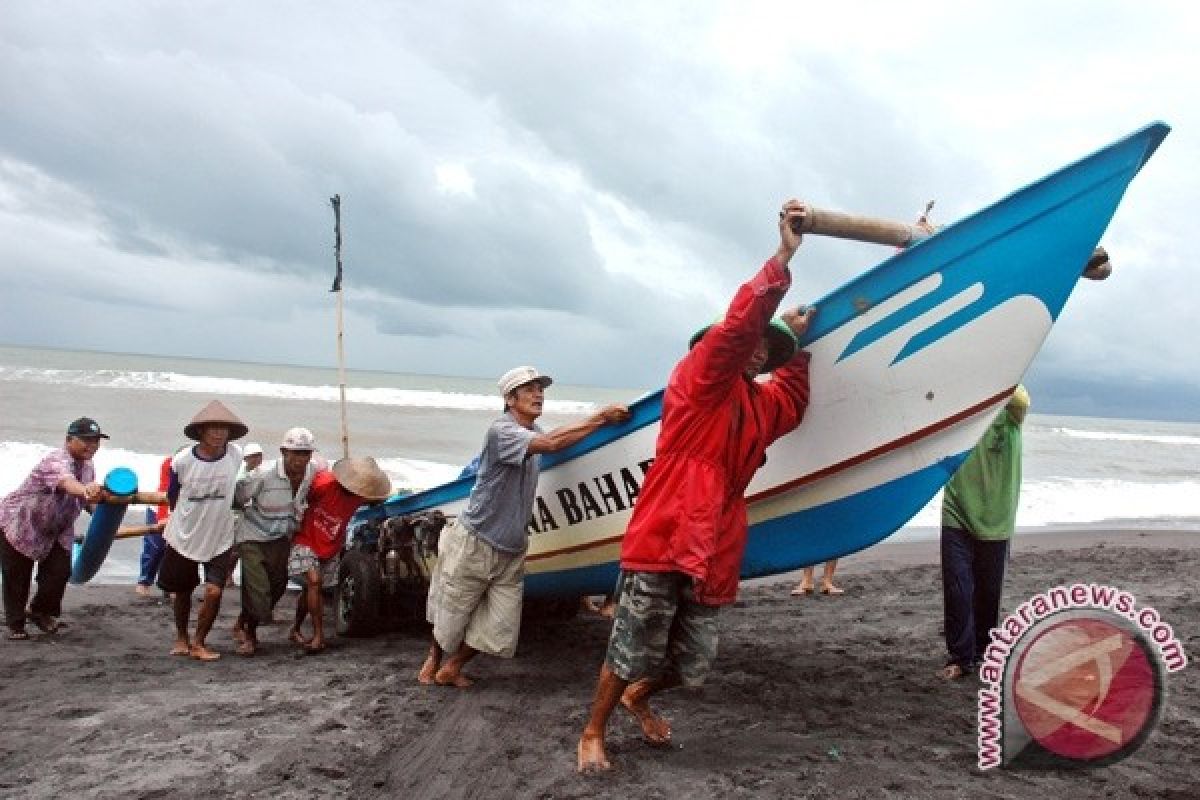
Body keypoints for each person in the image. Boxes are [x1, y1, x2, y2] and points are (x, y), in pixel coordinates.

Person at [577, 199, 817, 772]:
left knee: (691, 663)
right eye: (754, 342)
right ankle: (592, 731)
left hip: (718, 541)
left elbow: (793, 399)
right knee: (630, 645)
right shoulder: (695, 381)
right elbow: (736, 331)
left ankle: (640, 699)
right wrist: (782, 258)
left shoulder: (761, 404)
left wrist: (804, 345)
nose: (759, 349)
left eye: (768, 348)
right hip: (666, 530)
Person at [419, 367, 630, 688]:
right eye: (529, 389)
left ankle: (453, 666)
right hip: (477, 540)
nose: (538, 394)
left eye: (540, 389)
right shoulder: (501, 431)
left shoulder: (535, 434)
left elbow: (554, 440)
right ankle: (433, 659)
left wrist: (592, 432)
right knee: (452, 611)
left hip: (513, 547)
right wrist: (600, 418)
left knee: (499, 627)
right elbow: (550, 443)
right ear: (509, 398)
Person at [938, 385, 1030, 680]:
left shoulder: (1012, 415)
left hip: (996, 516)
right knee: (957, 588)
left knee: (988, 593)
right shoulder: (963, 411)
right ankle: (961, 658)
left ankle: (983, 652)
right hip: (957, 509)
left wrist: (995, 373)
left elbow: (1021, 398)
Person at [153, 399, 248, 662]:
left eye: (224, 428)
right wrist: (175, 517)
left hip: (220, 533)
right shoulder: (182, 460)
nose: (219, 433)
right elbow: (173, 494)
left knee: (215, 590)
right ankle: (182, 637)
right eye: (213, 428)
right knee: (182, 590)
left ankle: (199, 642)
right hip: (186, 532)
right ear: (201, 432)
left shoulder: (235, 455)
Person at [1, 418, 108, 639]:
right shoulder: (56, 461)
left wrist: (104, 519)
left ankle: (40, 612)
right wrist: (86, 490)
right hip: (21, 522)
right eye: (86, 441)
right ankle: (15, 624)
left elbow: (88, 500)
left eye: (96, 441)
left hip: (57, 527)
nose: (92, 446)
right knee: (17, 576)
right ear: (69, 440)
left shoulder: (88, 466)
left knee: (59, 573)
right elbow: (68, 483)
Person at [288, 457, 392, 653]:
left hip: (331, 543)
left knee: (311, 589)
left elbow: (380, 498)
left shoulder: (362, 496)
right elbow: (298, 497)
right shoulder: (324, 483)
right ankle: (319, 635)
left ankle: (295, 628)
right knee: (314, 581)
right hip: (306, 538)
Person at [231, 428, 319, 656]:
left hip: (281, 536)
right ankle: (250, 636)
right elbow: (239, 497)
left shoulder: (312, 471)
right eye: (295, 453)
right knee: (257, 589)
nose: (300, 459)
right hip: (253, 536)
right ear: (283, 452)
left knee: (278, 586)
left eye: (305, 453)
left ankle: (242, 622)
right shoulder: (263, 474)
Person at [135, 453, 175, 597]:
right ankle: (144, 581)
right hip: (159, 505)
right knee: (155, 546)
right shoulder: (171, 462)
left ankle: (169, 585)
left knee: (176, 549)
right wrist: (163, 518)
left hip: (181, 509)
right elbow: (164, 489)